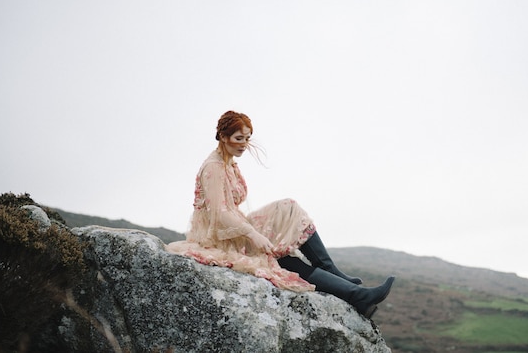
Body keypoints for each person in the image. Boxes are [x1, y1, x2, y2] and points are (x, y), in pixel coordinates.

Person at [167, 110, 394, 318]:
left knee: (289, 208)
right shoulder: (214, 167)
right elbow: (219, 214)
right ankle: (357, 295)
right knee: (280, 261)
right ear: (223, 137)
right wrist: (253, 235)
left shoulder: (228, 163)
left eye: (247, 138)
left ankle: (333, 272)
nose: (244, 144)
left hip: (234, 226)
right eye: (239, 138)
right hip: (219, 238)